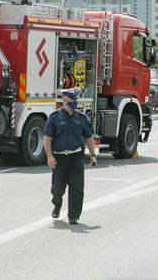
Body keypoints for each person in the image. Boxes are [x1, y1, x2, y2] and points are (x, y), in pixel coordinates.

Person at [43, 88, 98, 225]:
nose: (74, 103)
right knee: (57, 189)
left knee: (77, 188)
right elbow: (47, 138)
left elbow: (89, 137)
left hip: (76, 158)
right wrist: (50, 156)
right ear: (64, 101)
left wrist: (92, 155)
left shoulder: (81, 117)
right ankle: (57, 204)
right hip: (59, 158)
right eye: (71, 101)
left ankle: (73, 215)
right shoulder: (54, 117)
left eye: (75, 101)